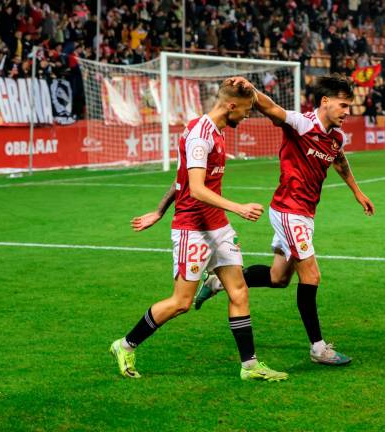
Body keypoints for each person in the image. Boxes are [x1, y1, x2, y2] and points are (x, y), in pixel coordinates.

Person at [110, 79, 289, 382]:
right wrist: (238, 207)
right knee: (181, 302)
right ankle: (124, 345)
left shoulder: (216, 130)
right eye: (246, 110)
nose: (247, 116)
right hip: (193, 229)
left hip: (217, 226)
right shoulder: (199, 136)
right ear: (231, 105)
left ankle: (250, 366)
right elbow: (193, 189)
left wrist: (158, 210)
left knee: (238, 291)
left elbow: (179, 180)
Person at [195, 74, 375, 366]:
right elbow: (271, 109)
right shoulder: (302, 123)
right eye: (343, 105)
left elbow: (339, 160)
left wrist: (357, 192)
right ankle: (318, 348)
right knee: (312, 276)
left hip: (304, 213)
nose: (347, 112)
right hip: (289, 211)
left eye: (349, 106)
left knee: (278, 278)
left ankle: (217, 281)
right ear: (325, 102)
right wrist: (251, 90)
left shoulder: (335, 137)